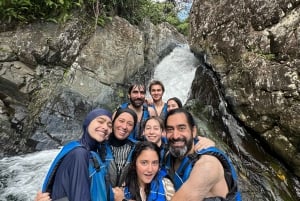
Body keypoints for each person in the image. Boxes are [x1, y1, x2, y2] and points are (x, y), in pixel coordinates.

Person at [35, 108, 113, 201]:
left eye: (109, 125)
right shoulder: (79, 154)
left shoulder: (93, 153)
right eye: (100, 121)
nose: (105, 127)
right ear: (88, 123)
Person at [164, 108, 241, 201]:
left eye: (182, 128)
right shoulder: (169, 154)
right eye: (170, 129)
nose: (175, 136)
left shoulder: (208, 166)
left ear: (193, 131)